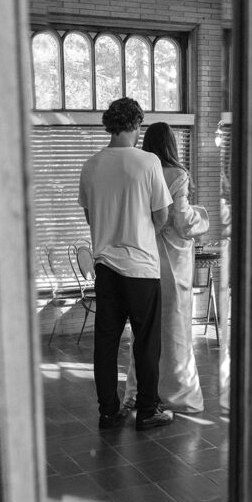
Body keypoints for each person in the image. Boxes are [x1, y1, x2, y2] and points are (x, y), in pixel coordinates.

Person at [78, 98, 174, 431]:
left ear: (109, 124)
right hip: (142, 269)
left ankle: (108, 411)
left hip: (105, 267)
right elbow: (162, 215)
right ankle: (148, 410)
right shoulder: (148, 162)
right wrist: (142, 232)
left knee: (105, 342)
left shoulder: (91, 165)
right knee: (147, 342)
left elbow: (90, 216)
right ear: (137, 124)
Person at [124, 121, 210, 413]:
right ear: (172, 144)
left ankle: (141, 390)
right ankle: (176, 392)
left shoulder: (141, 171)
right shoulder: (177, 174)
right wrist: (203, 217)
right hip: (173, 259)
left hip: (146, 254)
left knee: (145, 326)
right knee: (174, 324)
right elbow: (183, 222)